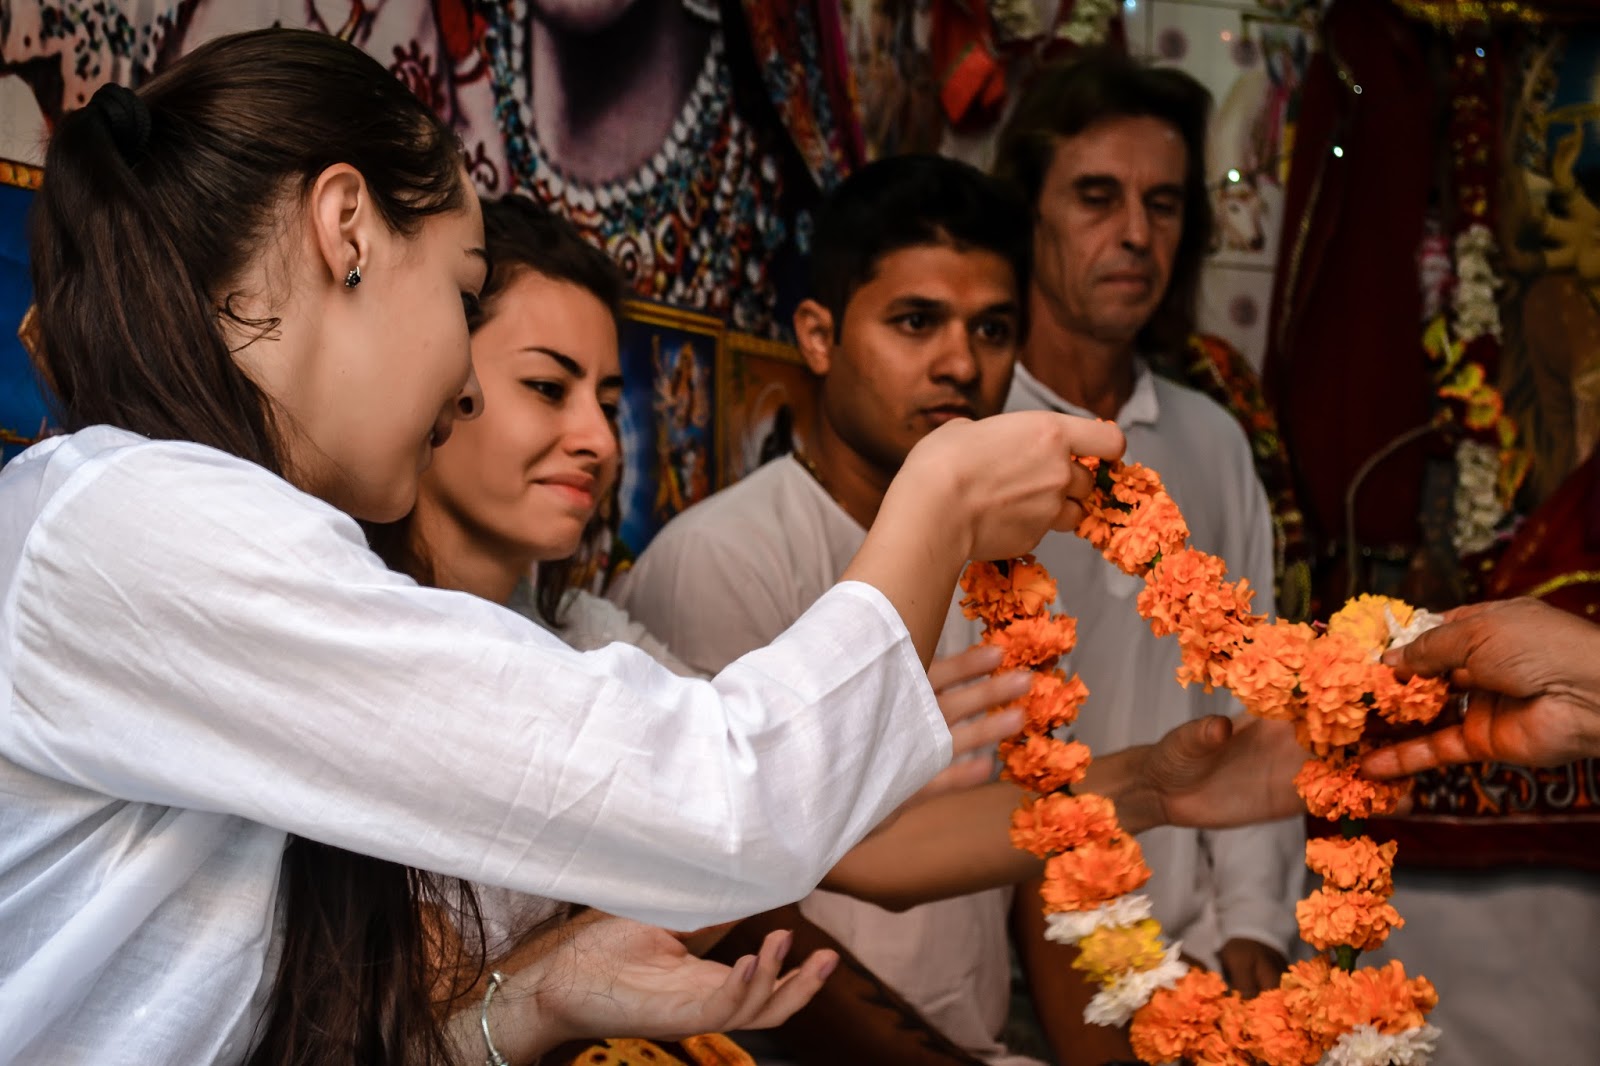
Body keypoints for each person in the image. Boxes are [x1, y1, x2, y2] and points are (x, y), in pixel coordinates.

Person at [0, 28, 1131, 1065]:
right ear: (346, 230)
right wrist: (934, 501)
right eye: (463, 293)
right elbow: (727, 798)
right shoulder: (139, 525)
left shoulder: (176, 528)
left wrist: (534, 999)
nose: (459, 384)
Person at [614, 154, 1087, 1066]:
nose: (961, 364)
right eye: (917, 322)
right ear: (820, 337)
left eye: (992, 330)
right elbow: (734, 899)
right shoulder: (726, 558)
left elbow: (1047, 853)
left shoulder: (1009, 568)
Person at [990, 50, 1304, 1057]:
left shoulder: (1210, 443)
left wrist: (1253, 920)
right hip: (997, 964)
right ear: (1029, 216)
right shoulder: (969, 440)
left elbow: (1258, 697)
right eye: (1096, 197)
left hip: (1192, 954)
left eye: (1162, 204)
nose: (1134, 233)